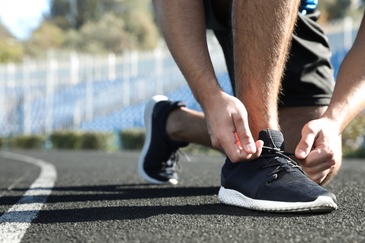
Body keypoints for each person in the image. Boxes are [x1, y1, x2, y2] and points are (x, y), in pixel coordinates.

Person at [138, 0, 365, 213]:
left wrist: (334, 121)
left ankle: (172, 123)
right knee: (274, 155)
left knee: (310, 157)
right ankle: (260, 155)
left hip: (296, 9)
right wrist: (210, 97)